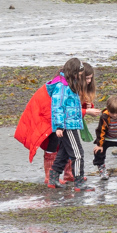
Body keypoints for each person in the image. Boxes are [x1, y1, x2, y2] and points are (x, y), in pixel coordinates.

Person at [13, 65, 81, 187]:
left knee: (64, 143)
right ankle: (49, 177)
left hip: (54, 117)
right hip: (47, 117)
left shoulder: (64, 84)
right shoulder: (60, 86)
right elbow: (55, 108)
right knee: (53, 143)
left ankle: (67, 173)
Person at [46, 58, 98, 188]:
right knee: (78, 154)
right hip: (66, 126)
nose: (80, 78)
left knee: (64, 153)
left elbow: (72, 107)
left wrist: (86, 108)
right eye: (79, 75)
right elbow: (57, 107)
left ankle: (53, 178)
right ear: (72, 72)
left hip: (72, 123)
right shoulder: (62, 87)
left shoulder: (70, 84)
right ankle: (79, 182)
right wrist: (58, 127)